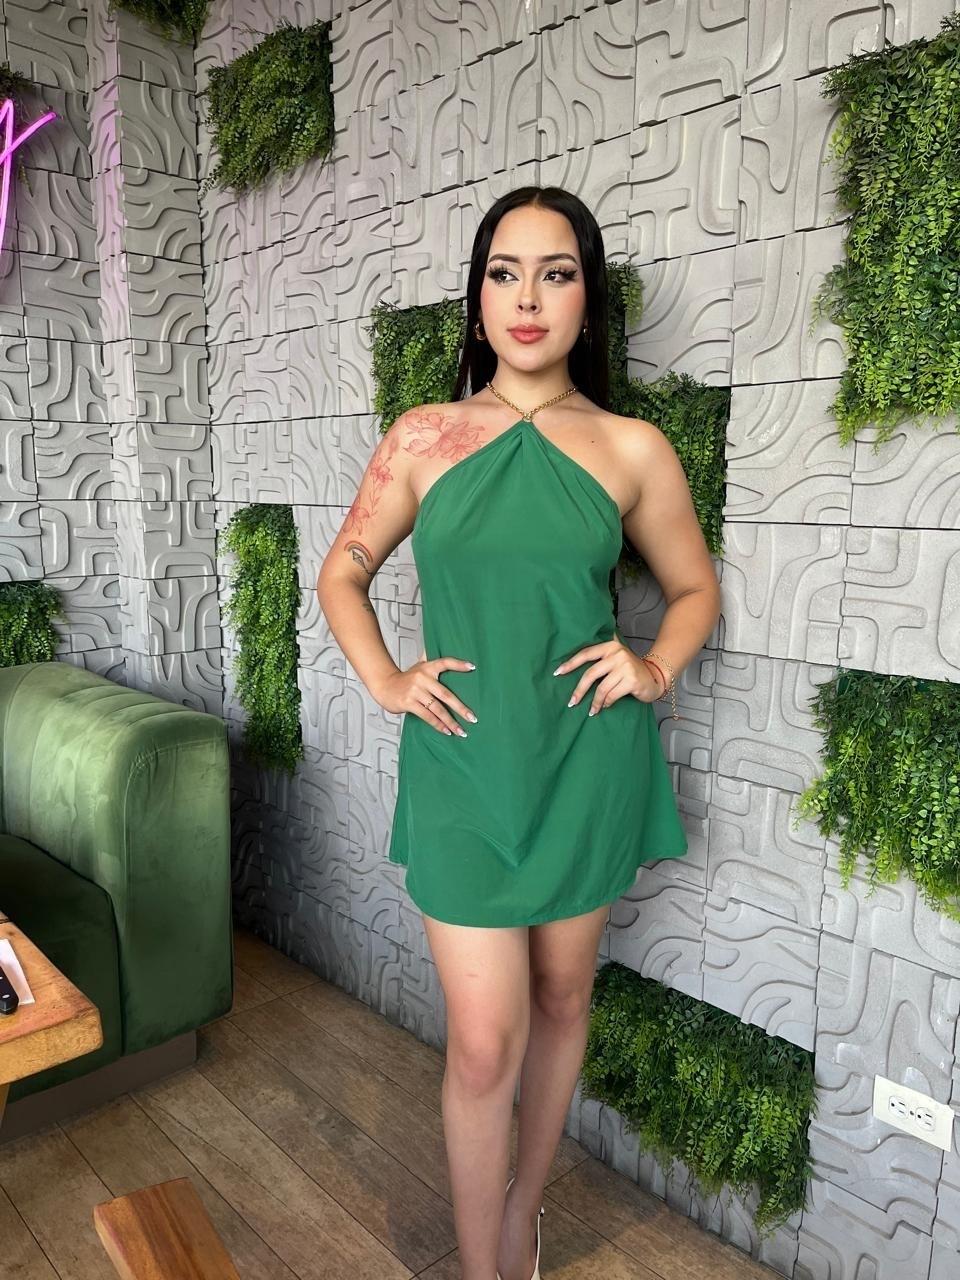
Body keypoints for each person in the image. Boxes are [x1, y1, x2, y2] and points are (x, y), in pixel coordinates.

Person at [317, 186, 721, 1280]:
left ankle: (522, 1211)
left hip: (585, 758)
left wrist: (651, 666)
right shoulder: (424, 436)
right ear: (479, 296)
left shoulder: (633, 447)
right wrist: (388, 679)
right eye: (504, 273)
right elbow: (343, 574)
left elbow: (694, 590)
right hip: (462, 763)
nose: (528, 298)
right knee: (485, 1036)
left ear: (588, 300)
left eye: (556, 272)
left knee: (561, 997)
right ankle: (479, 1265)